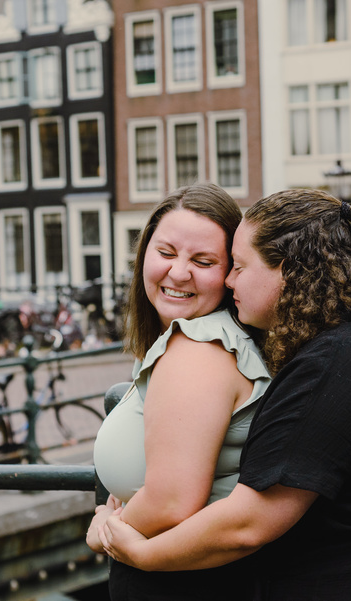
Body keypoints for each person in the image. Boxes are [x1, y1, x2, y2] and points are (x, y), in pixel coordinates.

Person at [101, 189, 351, 600]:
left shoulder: (339, 360)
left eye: (239, 267)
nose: (230, 282)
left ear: (290, 273)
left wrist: (136, 552)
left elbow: (250, 524)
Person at [87, 184, 271, 601]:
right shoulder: (190, 340)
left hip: (188, 583)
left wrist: (104, 531)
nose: (179, 272)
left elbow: (171, 503)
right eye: (166, 253)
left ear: (230, 274)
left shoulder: (198, 347)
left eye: (203, 261)